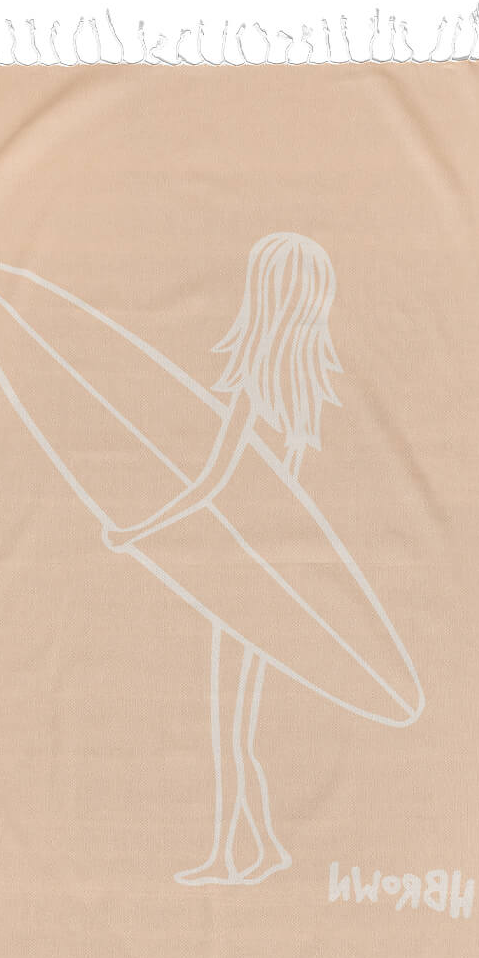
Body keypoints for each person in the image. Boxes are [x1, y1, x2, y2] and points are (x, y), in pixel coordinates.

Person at [103, 232, 342, 884]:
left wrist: (138, 530)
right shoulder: (301, 394)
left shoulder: (254, 392)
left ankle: (229, 854)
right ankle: (260, 849)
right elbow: (282, 495)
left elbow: (210, 484)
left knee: (227, 726)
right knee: (240, 725)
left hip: (240, 579)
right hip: (278, 576)